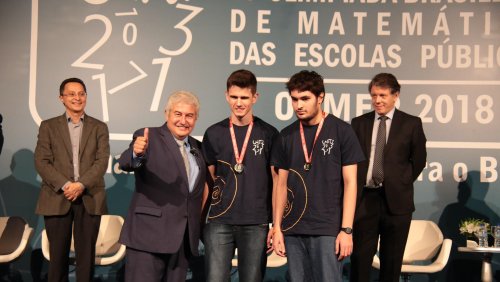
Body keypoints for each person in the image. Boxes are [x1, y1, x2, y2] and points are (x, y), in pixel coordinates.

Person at [271, 70, 365, 281]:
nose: (298, 105)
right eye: (294, 99)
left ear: (320, 97)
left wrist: (347, 230)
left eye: (305, 98)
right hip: (293, 229)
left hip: (327, 228)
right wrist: (277, 227)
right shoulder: (286, 136)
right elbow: (281, 185)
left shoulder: (342, 131)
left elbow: (351, 184)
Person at [118, 90, 207, 282]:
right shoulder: (149, 137)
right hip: (148, 237)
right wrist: (136, 152)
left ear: (196, 119)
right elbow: (126, 162)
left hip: (182, 240)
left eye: (189, 116)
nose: (184, 120)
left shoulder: (198, 148)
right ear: (167, 114)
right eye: (178, 114)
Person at [202, 69, 278, 282]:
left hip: (256, 222)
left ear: (255, 97)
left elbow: (277, 182)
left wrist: (275, 225)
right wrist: (202, 219)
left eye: (244, 97)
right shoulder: (214, 133)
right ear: (226, 95)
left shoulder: (269, 133)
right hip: (219, 221)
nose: (239, 103)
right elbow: (208, 182)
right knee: (215, 279)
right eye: (234, 97)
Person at [350, 73, 427, 282]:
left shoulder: (411, 124)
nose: (378, 100)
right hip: (365, 200)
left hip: (397, 203)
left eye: (383, 95)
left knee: (391, 264)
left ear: (396, 95)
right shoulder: (358, 123)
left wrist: (400, 182)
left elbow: (418, 160)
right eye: (374, 95)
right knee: (359, 260)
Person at [34, 77, 110, 281]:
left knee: (86, 257)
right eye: (71, 94)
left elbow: (101, 162)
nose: (77, 98)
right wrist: (67, 185)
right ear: (61, 98)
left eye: (81, 93)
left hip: (90, 197)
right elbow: (42, 161)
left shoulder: (99, 127)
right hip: (57, 196)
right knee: (57, 258)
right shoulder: (48, 126)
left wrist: (81, 185)